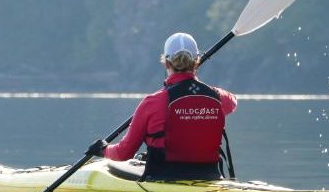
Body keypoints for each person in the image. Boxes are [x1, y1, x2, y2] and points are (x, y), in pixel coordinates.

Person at [86, 32, 237, 181]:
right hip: (210, 177)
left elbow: (123, 153)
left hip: (164, 179)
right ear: (196, 61)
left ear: (166, 62)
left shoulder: (152, 102)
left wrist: (103, 149)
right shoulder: (216, 97)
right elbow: (233, 101)